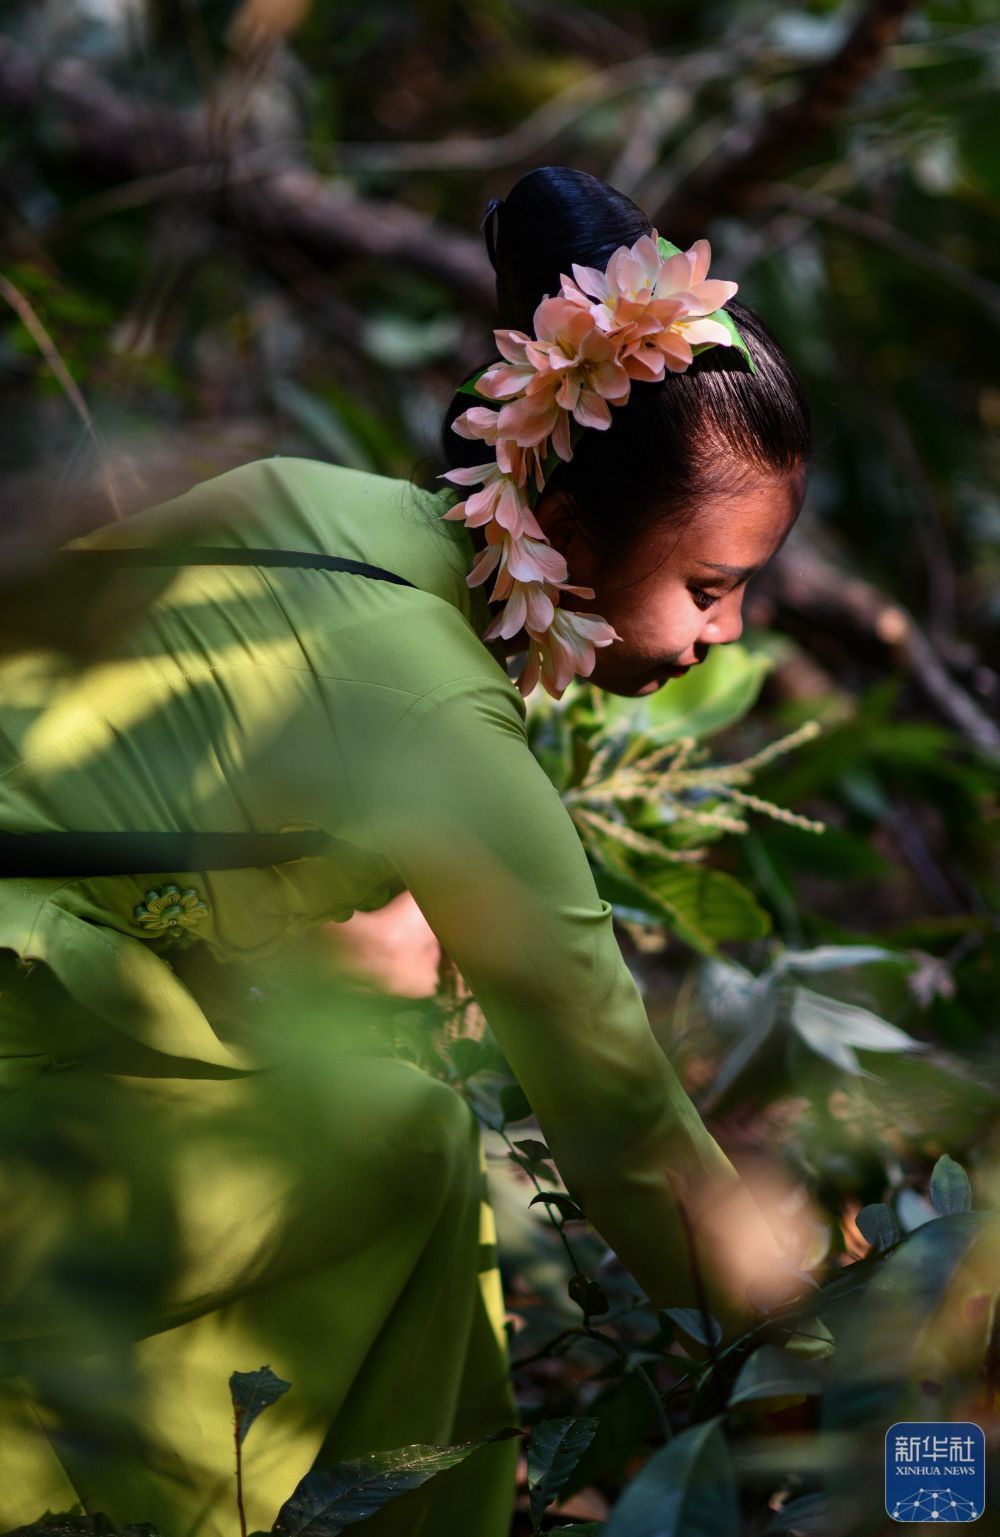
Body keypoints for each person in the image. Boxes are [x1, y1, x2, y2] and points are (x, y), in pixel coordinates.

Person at [0, 165, 811, 1536]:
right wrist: (822, 1347)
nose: (723, 637)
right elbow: (615, 1110)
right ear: (567, 530)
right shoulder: (441, 710)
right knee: (414, 1144)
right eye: (710, 588)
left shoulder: (301, 496)